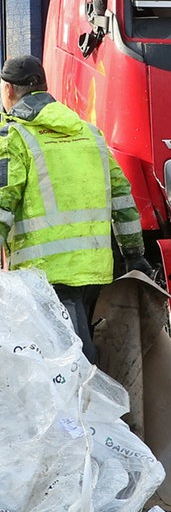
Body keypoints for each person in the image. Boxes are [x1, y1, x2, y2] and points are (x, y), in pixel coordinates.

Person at [0, 54, 153, 362]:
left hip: (44, 272)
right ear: (44, 86)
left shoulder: (14, 135)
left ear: (8, 91)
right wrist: (134, 254)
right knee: (73, 349)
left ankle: (91, 407)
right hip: (94, 268)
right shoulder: (88, 132)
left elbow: (3, 201)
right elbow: (122, 198)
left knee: (70, 357)